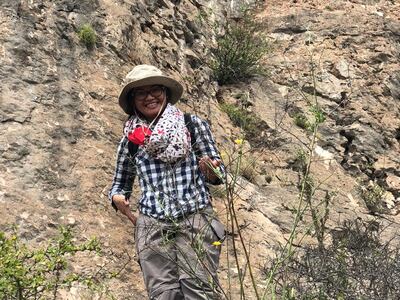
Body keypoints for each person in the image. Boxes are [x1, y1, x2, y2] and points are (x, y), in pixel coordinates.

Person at [109, 64, 226, 300]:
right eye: (141, 92)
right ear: (133, 99)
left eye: (155, 90)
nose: (149, 97)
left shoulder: (192, 125)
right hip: (152, 224)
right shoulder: (130, 141)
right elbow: (120, 183)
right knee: (163, 294)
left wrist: (212, 170)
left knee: (199, 290)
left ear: (165, 92)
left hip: (196, 217)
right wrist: (117, 197)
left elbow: (218, 175)